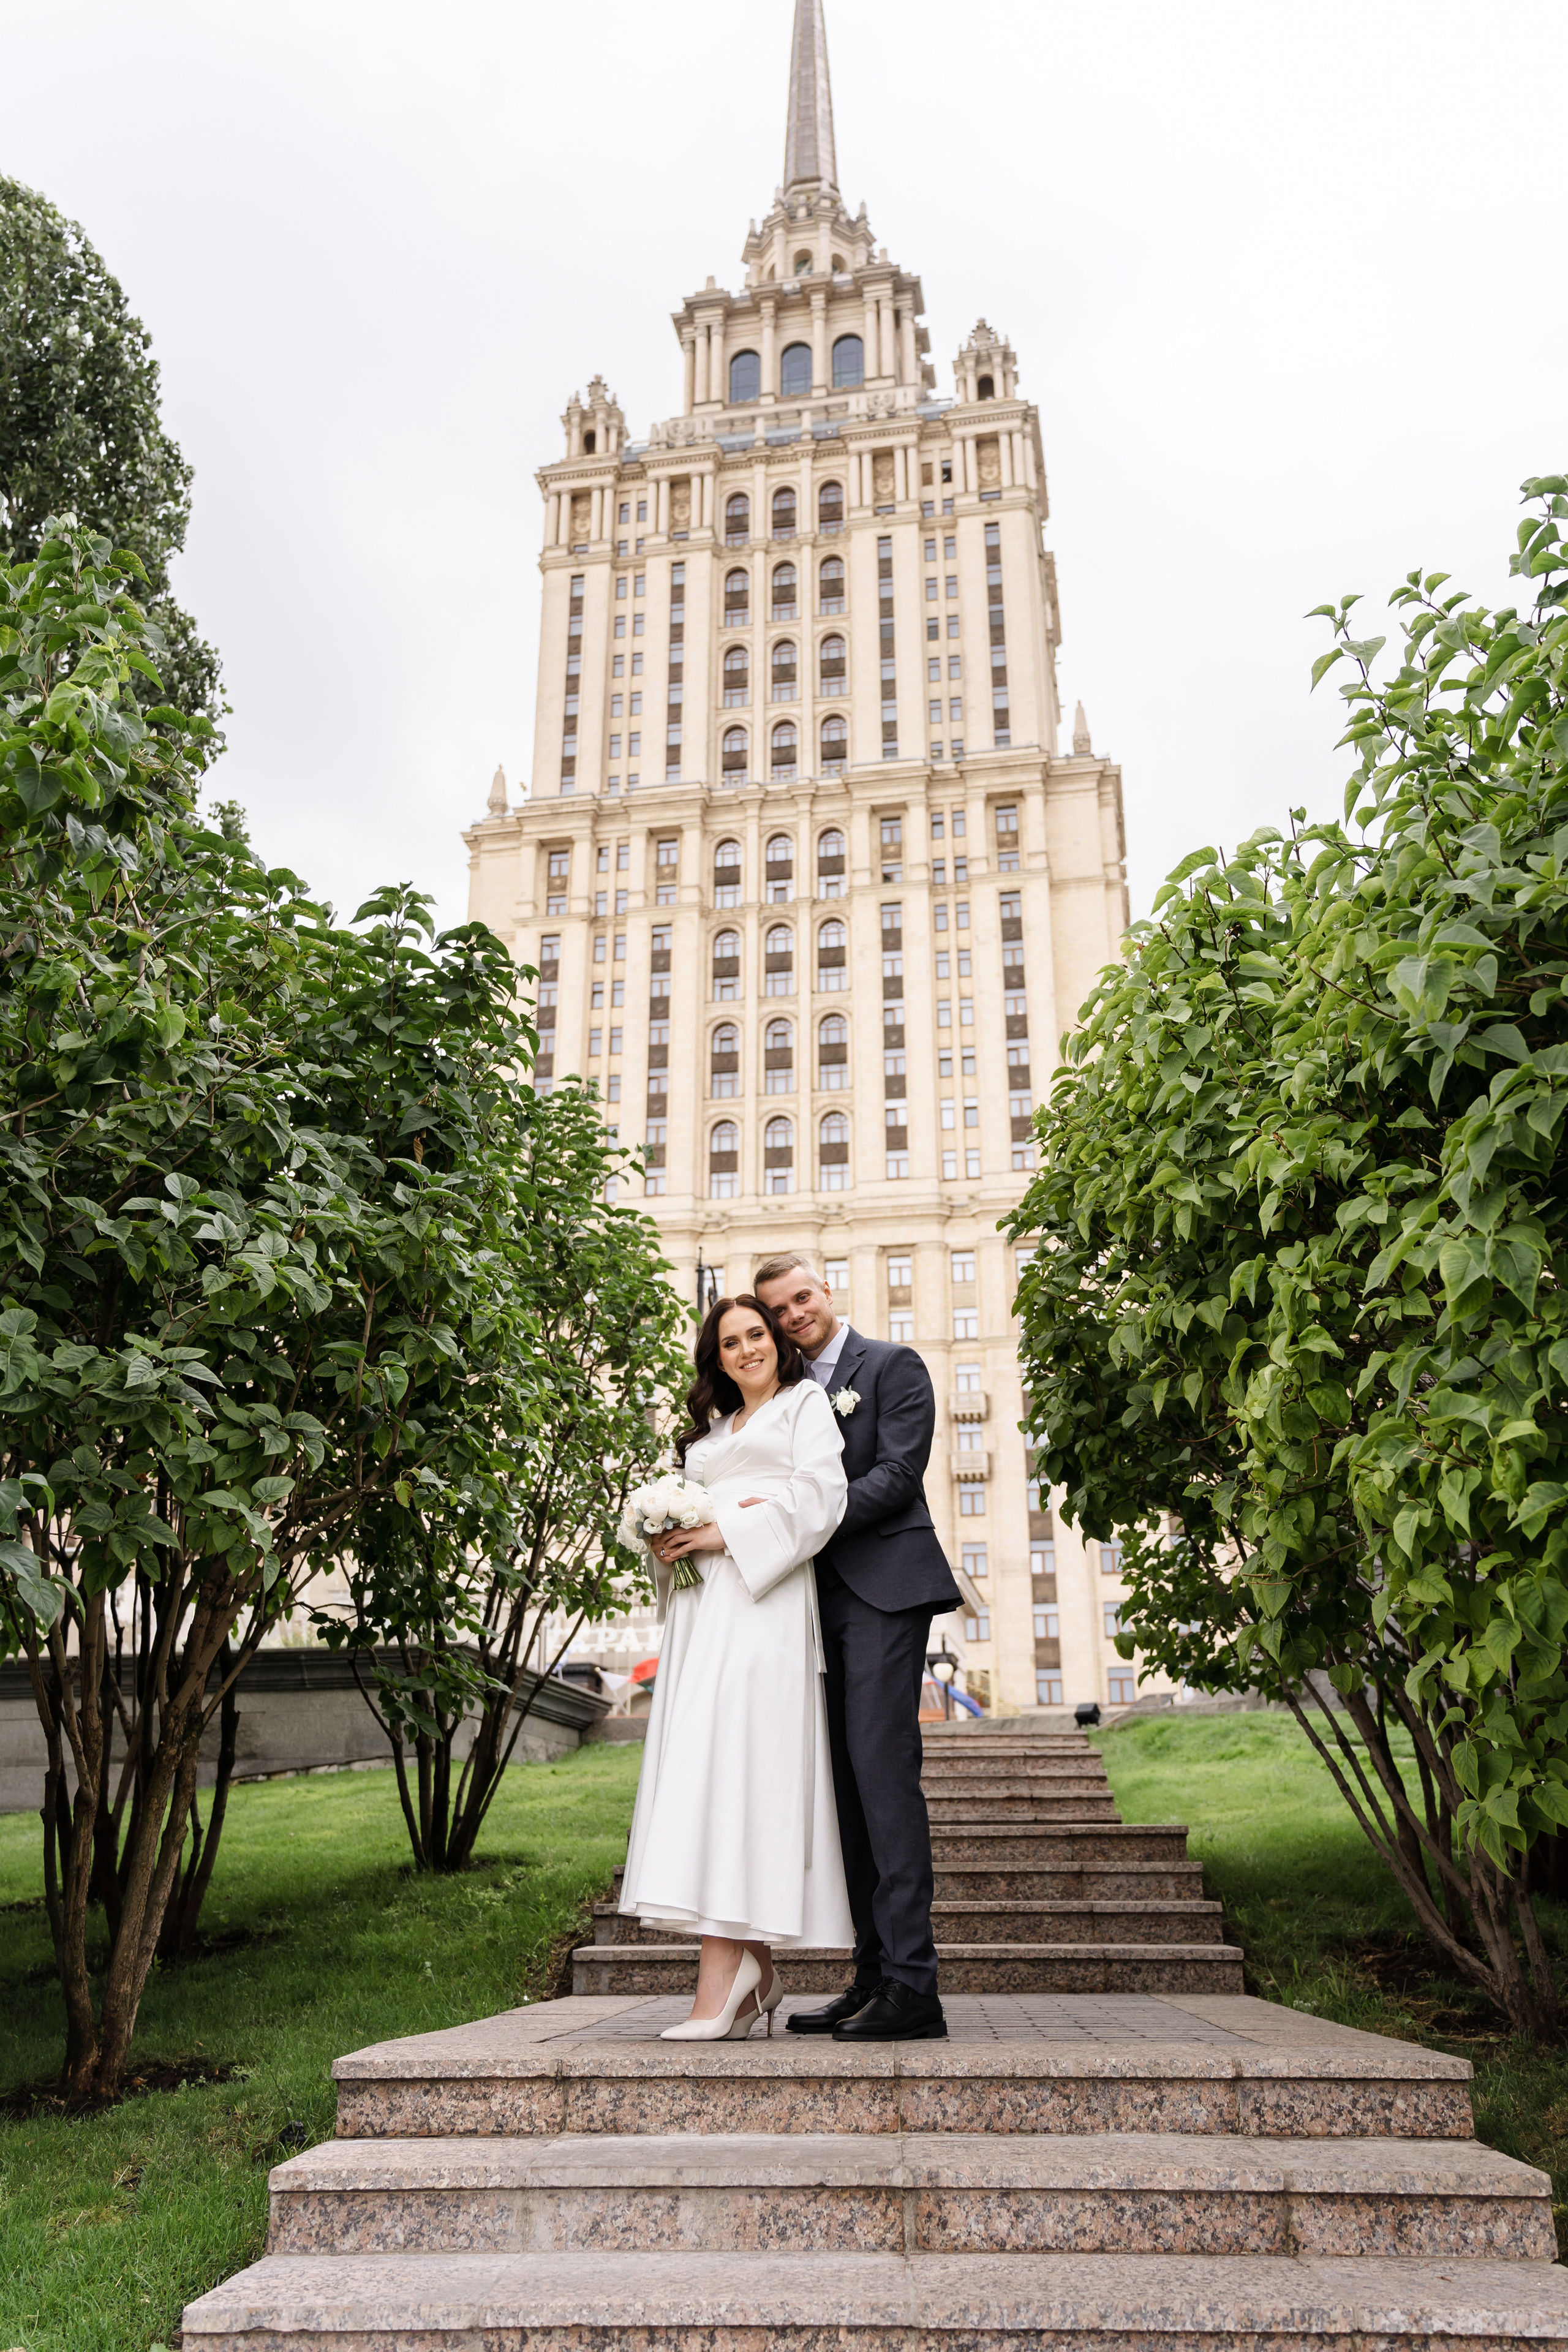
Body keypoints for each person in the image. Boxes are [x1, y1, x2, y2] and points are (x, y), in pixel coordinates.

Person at [619, 1292, 852, 2041]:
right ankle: (750, 1972)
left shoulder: (804, 1405)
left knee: (743, 1766)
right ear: (714, 1359)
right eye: (730, 1342)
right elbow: (696, 1518)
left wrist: (726, 1532)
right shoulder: (710, 1436)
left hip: (765, 1603)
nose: (747, 1348)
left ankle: (720, 1983)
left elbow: (823, 1499)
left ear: (776, 1344)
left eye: (757, 1334)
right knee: (709, 1765)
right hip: (701, 1614)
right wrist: (672, 1541)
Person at [753, 1251, 961, 2043]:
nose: (792, 1315)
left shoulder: (891, 1366)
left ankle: (917, 1988)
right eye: (777, 1309)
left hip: (885, 1592)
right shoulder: (784, 1395)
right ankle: (873, 1978)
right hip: (813, 1605)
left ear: (827, 1291)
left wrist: (803, 1520)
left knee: (882, 1780)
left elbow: (899, 1475)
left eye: (801, 1297)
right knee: (844, 1794)